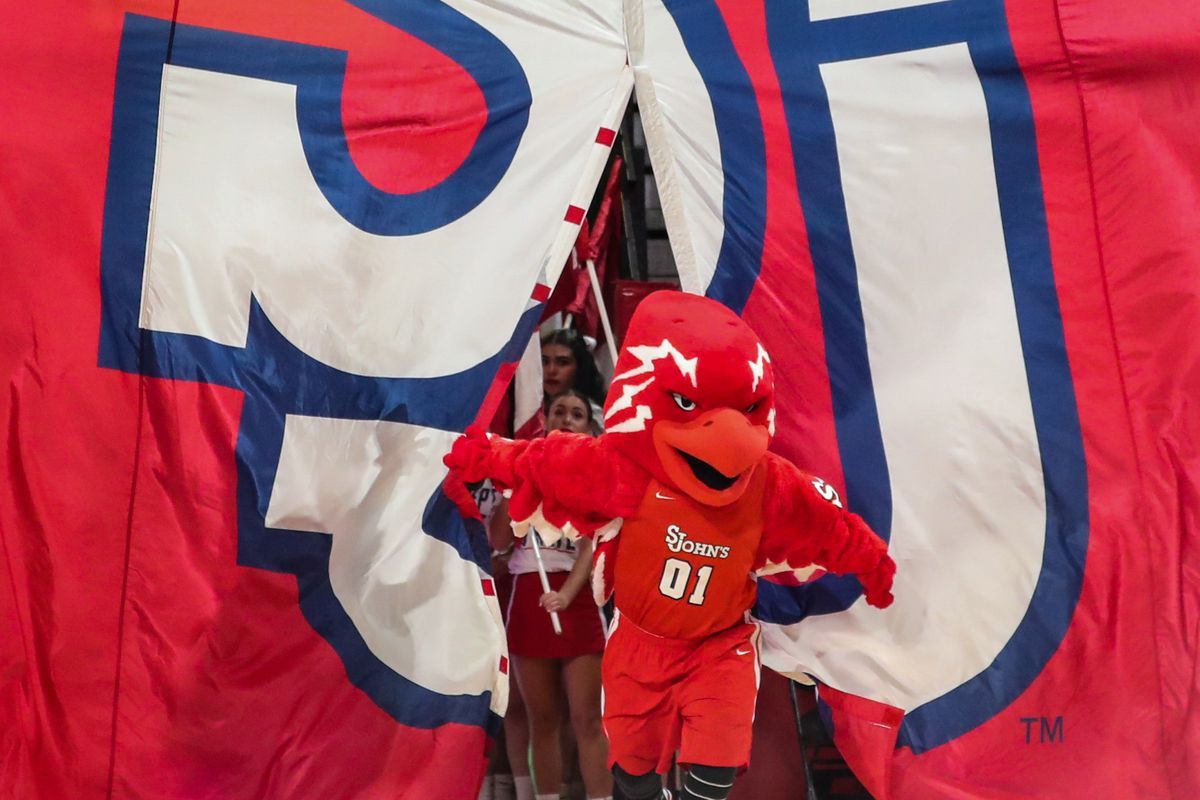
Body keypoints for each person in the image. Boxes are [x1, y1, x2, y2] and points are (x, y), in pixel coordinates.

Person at [490, 390, 612, 800]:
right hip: (529, 595)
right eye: (558, 411)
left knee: (587, 720)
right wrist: (517, 486)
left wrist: (567, 593)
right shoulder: (529, 468)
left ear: (590, 427)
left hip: (576, 599)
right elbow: (499, 539)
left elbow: (592, 545)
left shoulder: (597, 476)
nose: (566, 418)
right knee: (542, 719)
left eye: (577, 413)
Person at [541, 329, 606, 412]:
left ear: (581, 367)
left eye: (563, 362)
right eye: (544, 362)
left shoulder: (596, 417)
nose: (551, 370)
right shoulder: (528, 412)